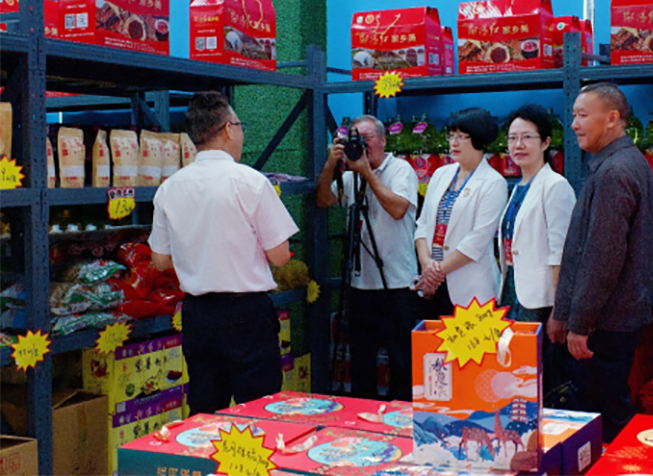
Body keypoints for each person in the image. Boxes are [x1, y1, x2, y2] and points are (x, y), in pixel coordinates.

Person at [149, 91, 298, 415]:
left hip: (198, 313)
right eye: (240, 126)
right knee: (259, 411)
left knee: (204, 409)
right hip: (247, 313)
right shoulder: (251, 182)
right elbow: (280, 255)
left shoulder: (170, 187)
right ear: (229, 129)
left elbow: (160, 260)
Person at [548, 82, 653, 443]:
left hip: (605, 324)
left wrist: (579, 323)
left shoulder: (614, 172)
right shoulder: (619, 163)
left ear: (612, 119)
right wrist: (564, 312)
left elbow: (602, 258)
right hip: (610, 318)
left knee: (605, 414)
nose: (574, 124)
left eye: (582, 115)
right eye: (573, 115)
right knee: (601, 408)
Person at [316, 114, 418, 401]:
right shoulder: (350, 176)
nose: (361, 145)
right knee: (362, 360)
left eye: (367, 139)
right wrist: (330, 164)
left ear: (383, 140)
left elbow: (398, 209)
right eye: (355, 139)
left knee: (401, 360)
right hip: (361, 285)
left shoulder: (400, 170)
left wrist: (367, 173)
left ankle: (400, 416)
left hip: (398, 283)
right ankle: (363, 417)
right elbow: (323, 199)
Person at [497, 104, 576, 394]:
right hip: (511, 293)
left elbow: (561, 253)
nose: (518, 145)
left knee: (538, 379)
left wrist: (559, 310)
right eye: (512, 138)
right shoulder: (518, 186)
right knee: (515, 377)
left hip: (540, 302)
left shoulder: (555, 186)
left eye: (527, 137)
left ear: (545, 142)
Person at [415, 107, 507, 317]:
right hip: (432, 285)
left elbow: (477, 240)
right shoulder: (440, 174)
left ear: (479, 140)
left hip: (470, 288)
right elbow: (422, 224)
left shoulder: (494, 182)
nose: (453, 143)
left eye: (461, 137)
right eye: (451, 136)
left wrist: (436, 273)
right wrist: (426, 264)